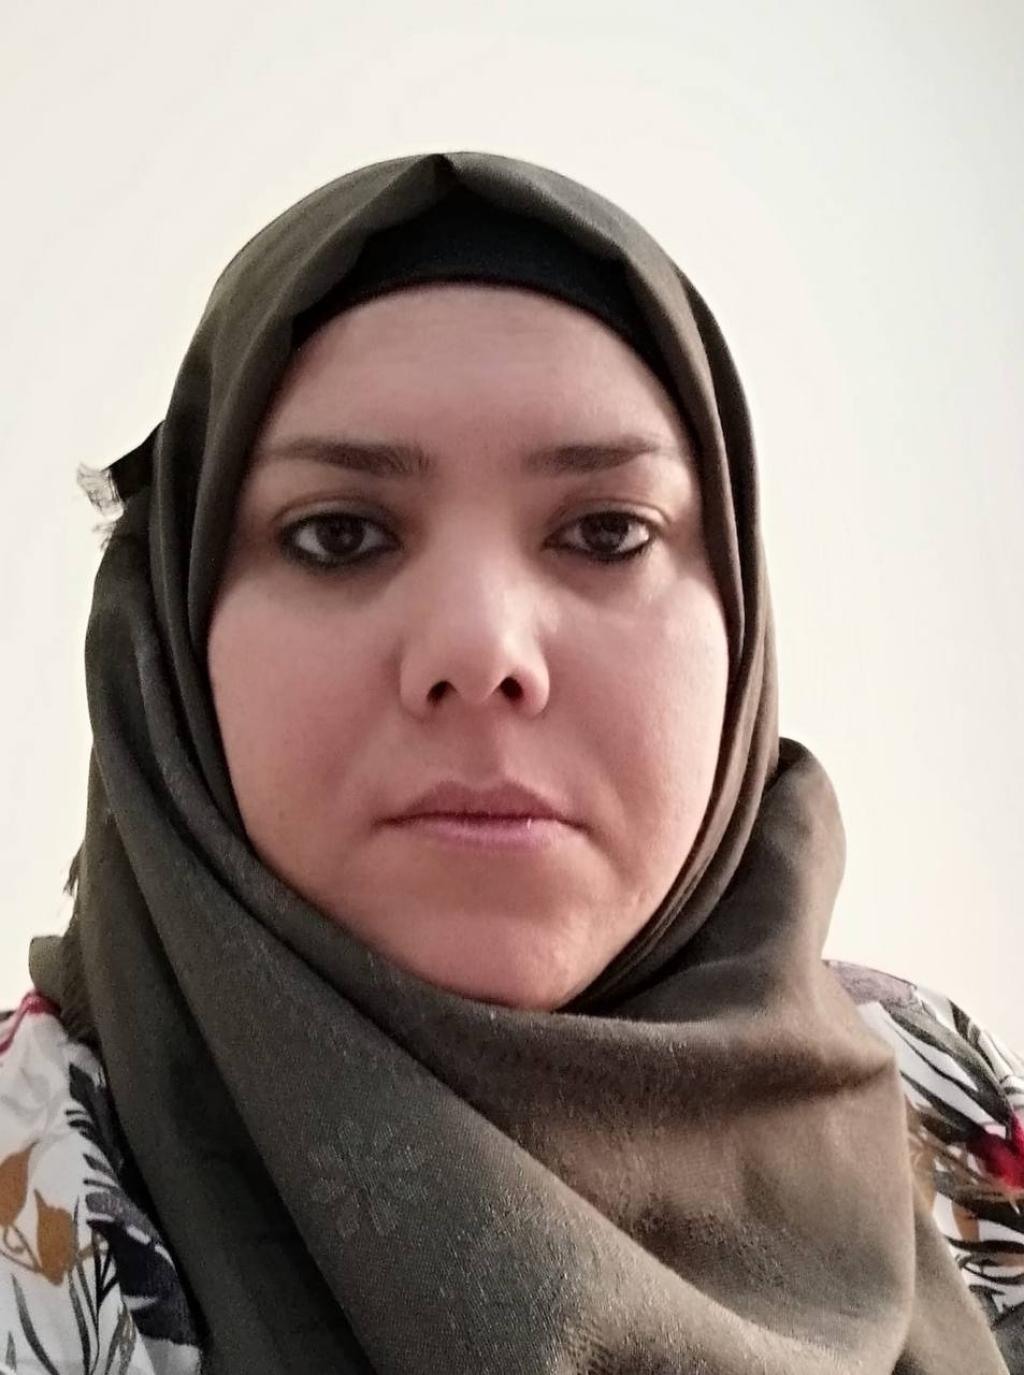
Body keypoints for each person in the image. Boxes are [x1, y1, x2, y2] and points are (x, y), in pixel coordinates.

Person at [0, 151, 1020, 1375]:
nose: (481, 651)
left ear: (740, 619)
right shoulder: (31, 1190)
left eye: (606, 532)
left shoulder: (939, 1097)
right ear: (171, 639)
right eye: (338, 534)